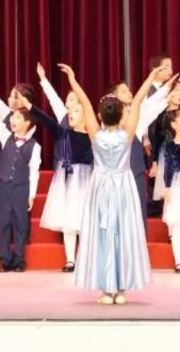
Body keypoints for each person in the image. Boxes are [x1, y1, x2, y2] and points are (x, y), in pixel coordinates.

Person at [59, 63, 157, 305]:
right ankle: (121, 289)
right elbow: (138, 102)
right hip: (123, 186)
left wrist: (72, 79)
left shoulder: (96, 134)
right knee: (123, 233)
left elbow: (85, 103)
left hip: (101, 186)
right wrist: (150, 77)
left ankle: (106, 290)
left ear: (101, 116)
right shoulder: (127, 135)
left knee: (103, 235)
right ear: (122, 115)